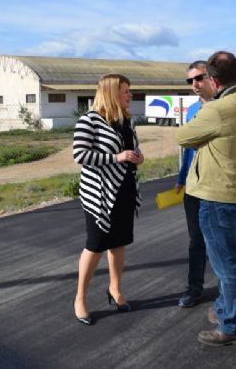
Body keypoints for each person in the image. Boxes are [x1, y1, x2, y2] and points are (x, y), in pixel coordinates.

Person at [175, 51, 236, 346]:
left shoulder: (216, 109)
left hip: (218, 197)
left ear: (212, 79)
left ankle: (230, 326)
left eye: (202, 78)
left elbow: (183, 137)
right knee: (232, 258)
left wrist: (205, 116)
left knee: (227, 268)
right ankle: (225, 310)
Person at [72, 73, 145, 326]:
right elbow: (80, 155)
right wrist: (117, 157)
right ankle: (80, 297)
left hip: (124, 190)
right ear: (112, 93)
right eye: (125, 91)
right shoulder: (89, 120)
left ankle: (115, 289)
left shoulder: (128, 121)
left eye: (129, 90)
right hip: (99, 194)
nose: (129, 95)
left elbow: (132, 150)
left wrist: (137, 156)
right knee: (96, 244)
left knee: (119, 242)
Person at [176, 61, 216, 308]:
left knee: (220, 241)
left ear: (212, 78)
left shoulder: (224, 108)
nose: (194, 85)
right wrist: (181, 178)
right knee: (196, 241)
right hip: (193, 186)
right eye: (190, 81)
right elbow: (187, 150)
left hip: (217, 186)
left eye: (199, 78)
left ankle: (229, 291)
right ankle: (194, 288)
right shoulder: (191, 111)